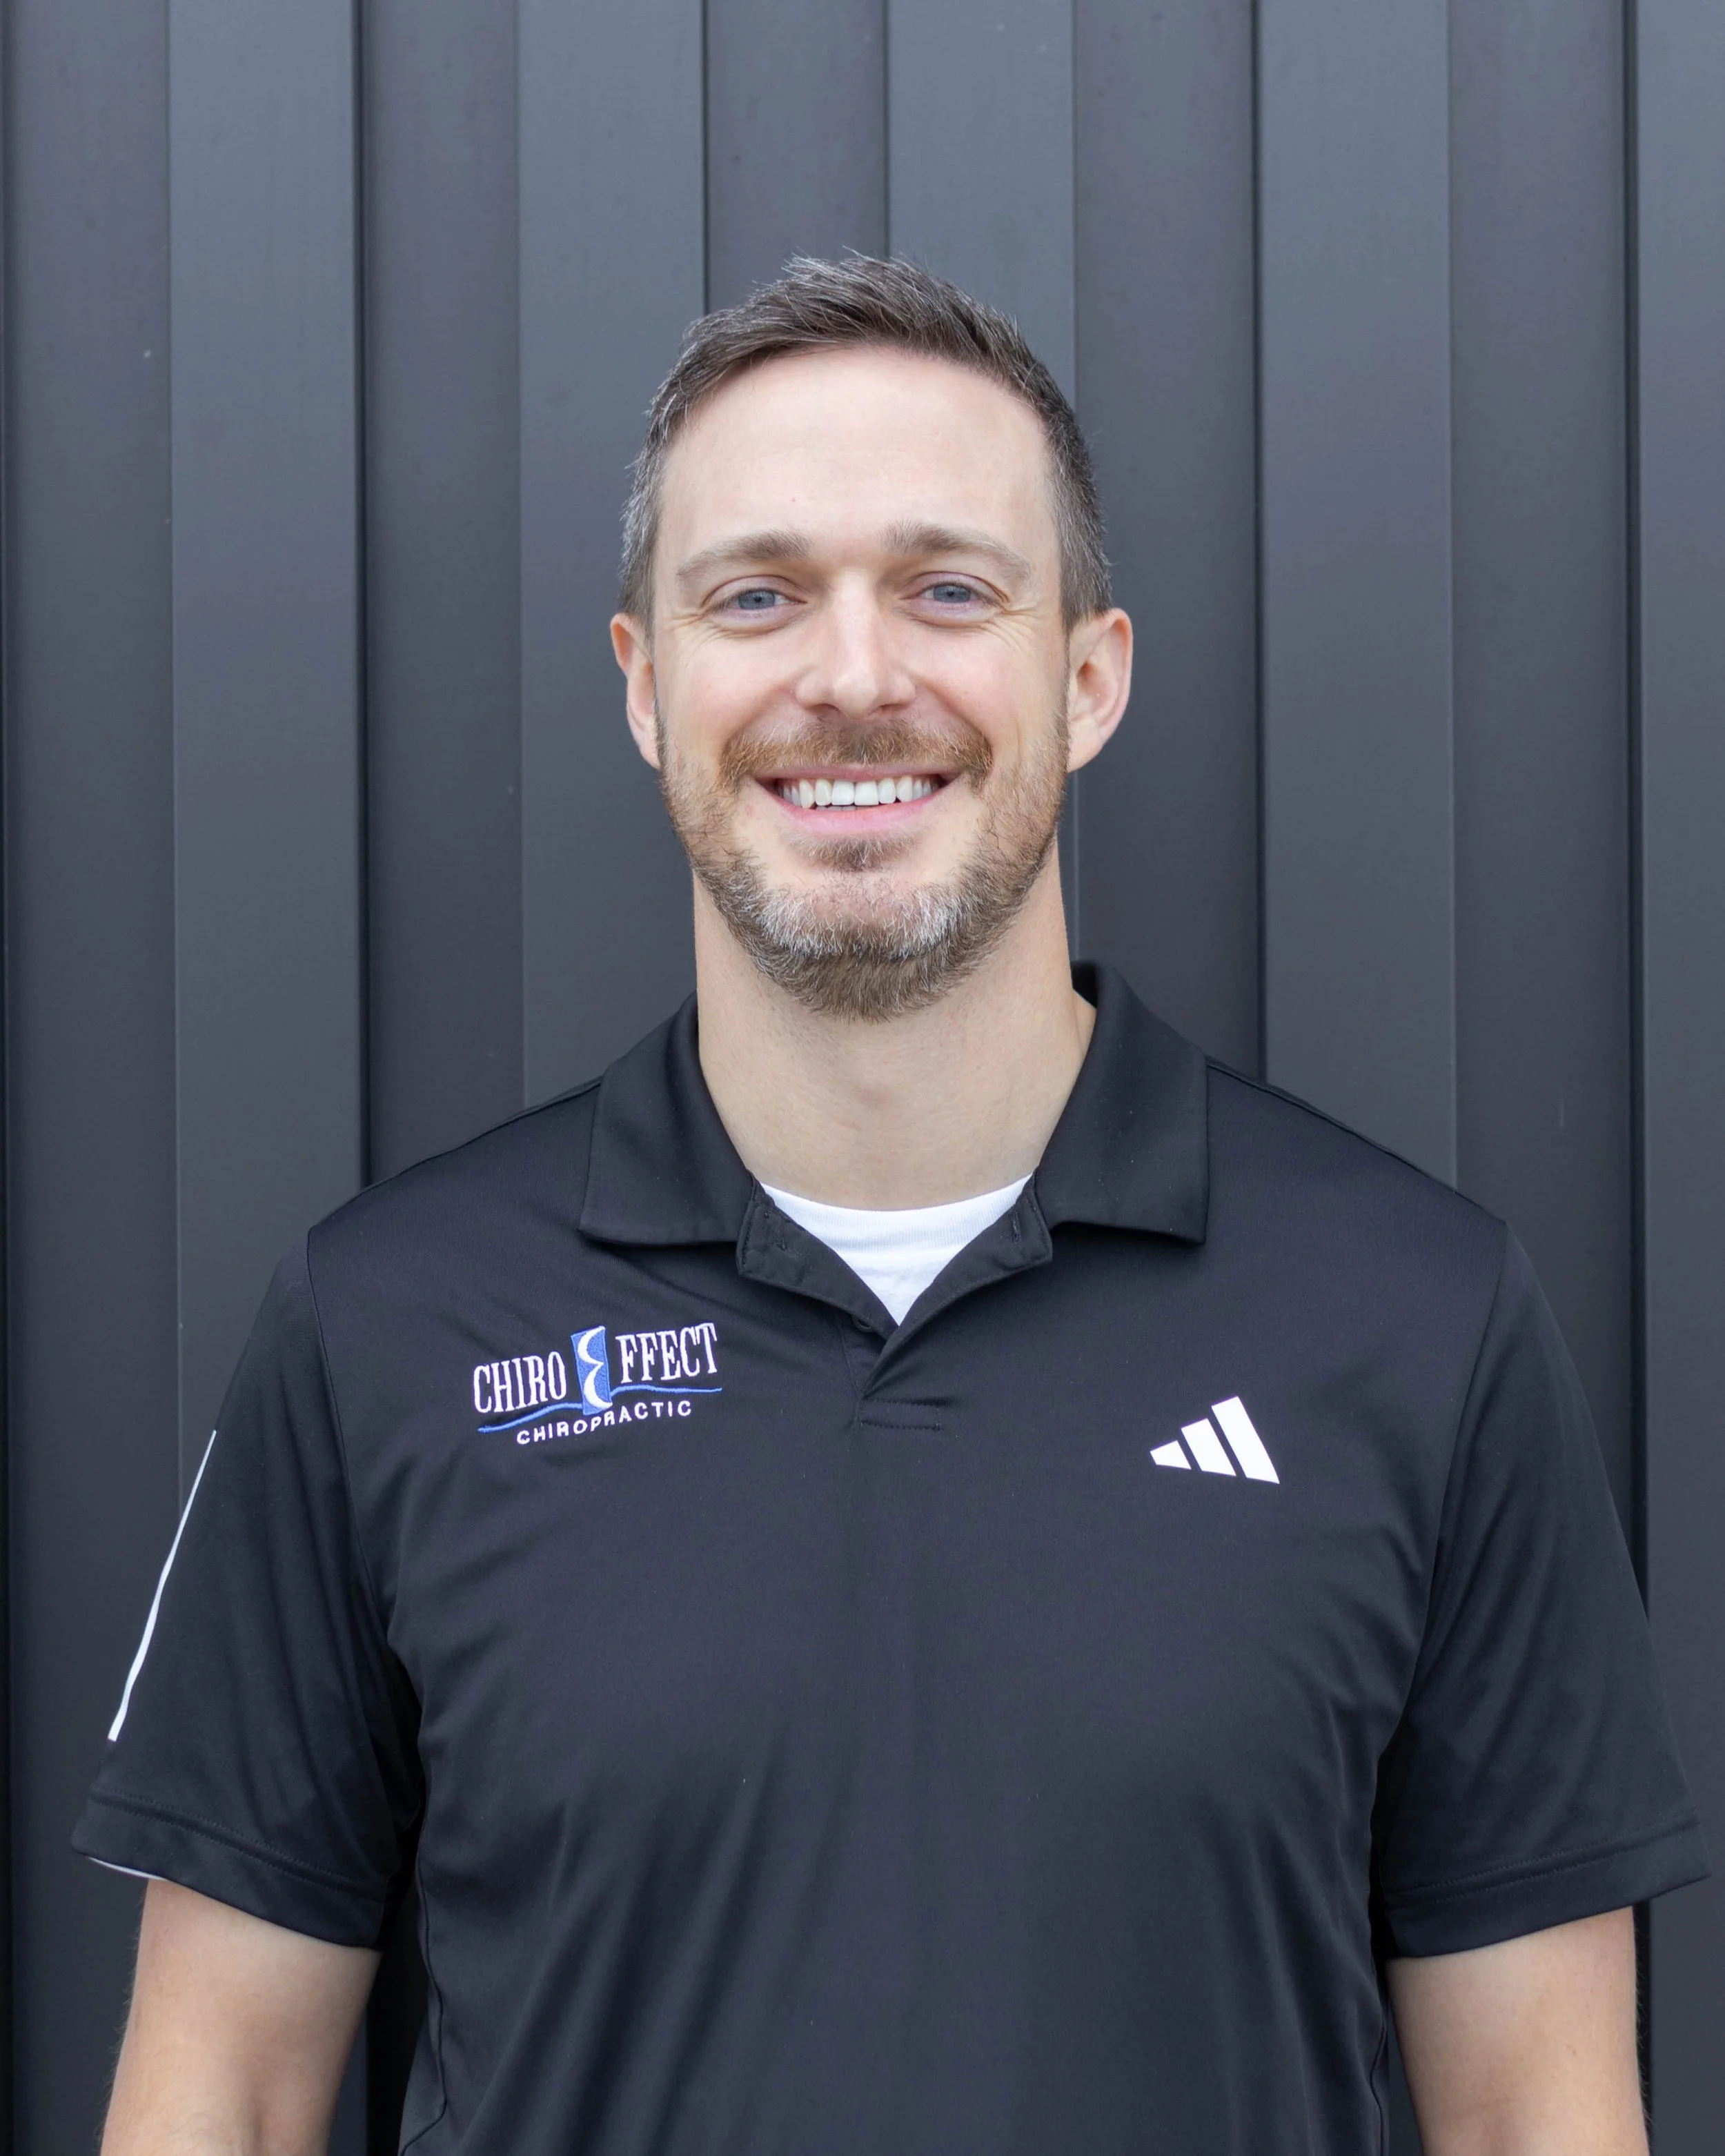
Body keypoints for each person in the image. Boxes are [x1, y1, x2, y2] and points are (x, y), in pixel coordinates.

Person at [81, 257, 1704, 2156]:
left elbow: (1535, 2112)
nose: (853, 678)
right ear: (648, 686)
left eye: (947, 589)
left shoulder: (1417, 1321)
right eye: (756, 595)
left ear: (1087, 678)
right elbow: (223, 2095)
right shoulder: (383, 1329)